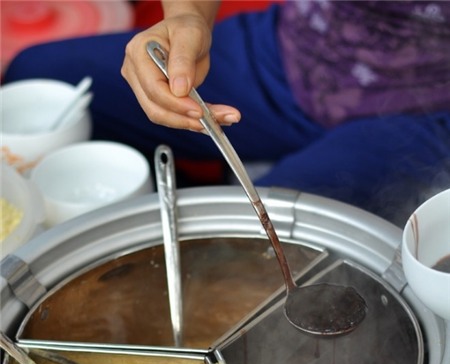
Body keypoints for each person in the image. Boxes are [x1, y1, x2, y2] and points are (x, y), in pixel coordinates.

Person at [4, 0, 450, 226]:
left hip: (427, 104)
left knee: (250, 240)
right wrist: (187, 17)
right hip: (294, 49)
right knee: (36, 76)